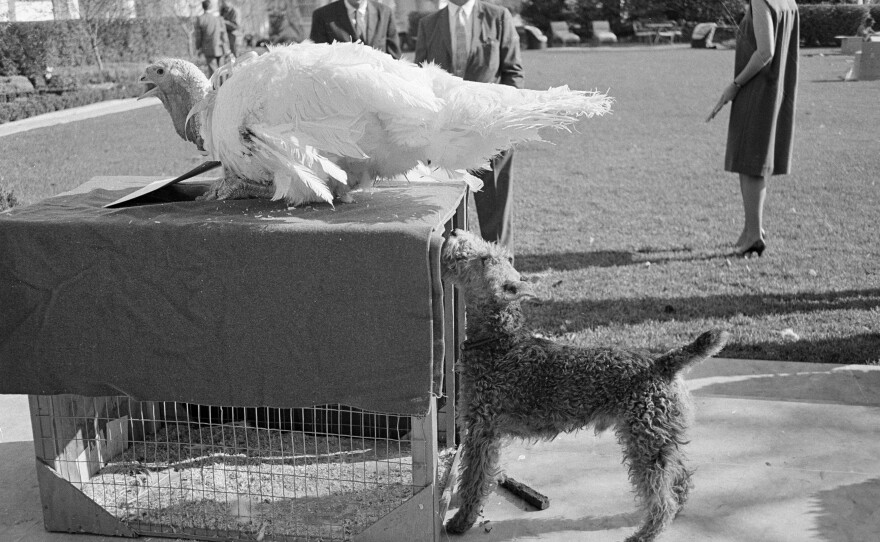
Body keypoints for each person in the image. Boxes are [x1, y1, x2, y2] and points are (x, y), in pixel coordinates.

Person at [414, 0, 523, 253]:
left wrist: (501, 114)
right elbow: (421, 79)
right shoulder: (428, 25)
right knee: (445, 218)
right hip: (445, 139)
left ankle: (500, 281)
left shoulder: (498, 17)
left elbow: (513, 72)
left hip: (491, 134)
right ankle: (450, 281)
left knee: (495, 218)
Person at [707, 0, 799, 258]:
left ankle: (754, 233)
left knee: (751, 162)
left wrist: (734, 85)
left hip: (757, 90)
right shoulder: (787, 1)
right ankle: (751, 229)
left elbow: (765, 51)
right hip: (775, 91)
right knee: (754, 161)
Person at [310, 0, 401, 59]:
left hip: (378, 84)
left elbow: (395, 58)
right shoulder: (322, 15)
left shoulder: (385, 13)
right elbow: (319, 59)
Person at [194, 0, 230, 77]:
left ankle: (217, 88)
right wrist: (227, 48)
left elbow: (198, 36)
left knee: (213, 72)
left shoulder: (200, 19)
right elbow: (224, 34)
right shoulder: (219, 19)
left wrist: (198, 47)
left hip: (208, 48)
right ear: (211, 7)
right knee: (221, 70)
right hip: (220, 48)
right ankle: (223, 86)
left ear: (203, 7)